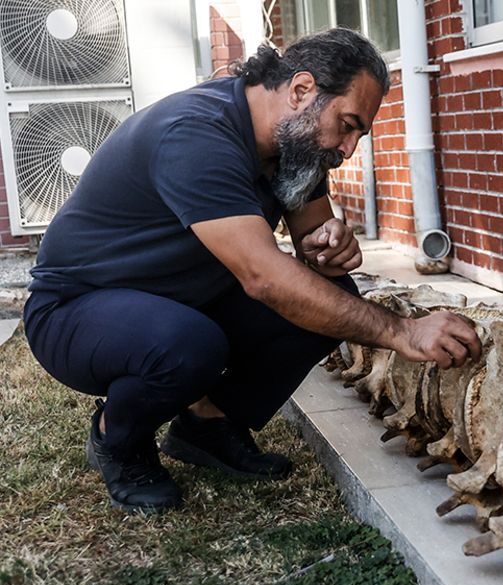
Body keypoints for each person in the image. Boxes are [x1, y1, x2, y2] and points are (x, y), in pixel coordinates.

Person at [23, 28, 480, 513]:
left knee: (330, 295)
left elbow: (314, 247)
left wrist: (329, 245)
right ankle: (116, 438)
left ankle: (208, 425)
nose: (347, 149)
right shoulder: (197, 135)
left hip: (180, 301)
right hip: (75, 312)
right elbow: (263, 277)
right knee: (190, 344)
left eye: (358, 134)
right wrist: (402, 332)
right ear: (302, 90)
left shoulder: (297, 143)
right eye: (347, 125)